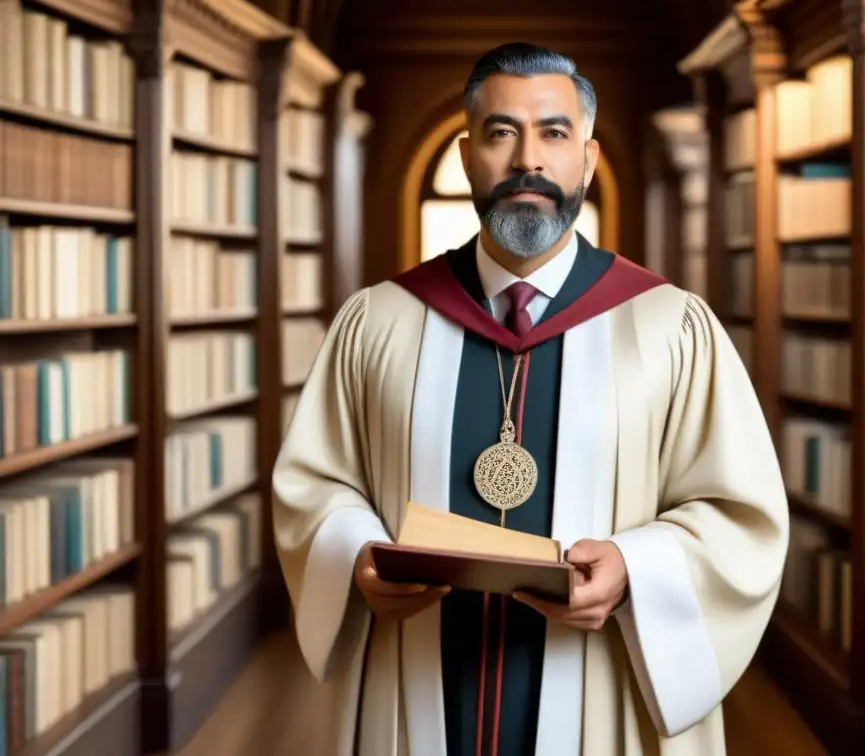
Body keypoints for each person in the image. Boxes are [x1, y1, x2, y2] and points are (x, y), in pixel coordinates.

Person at [272, 41, 789, 756]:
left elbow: (739, 515)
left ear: (589, 158)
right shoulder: (379, 321)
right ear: (466, 156)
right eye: (501, 133)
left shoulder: (671, 327)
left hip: (597, 684)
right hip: (417, 670)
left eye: (553, 132)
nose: (527, 161)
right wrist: (356, 553)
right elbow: (317, 484)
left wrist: (635, 567)